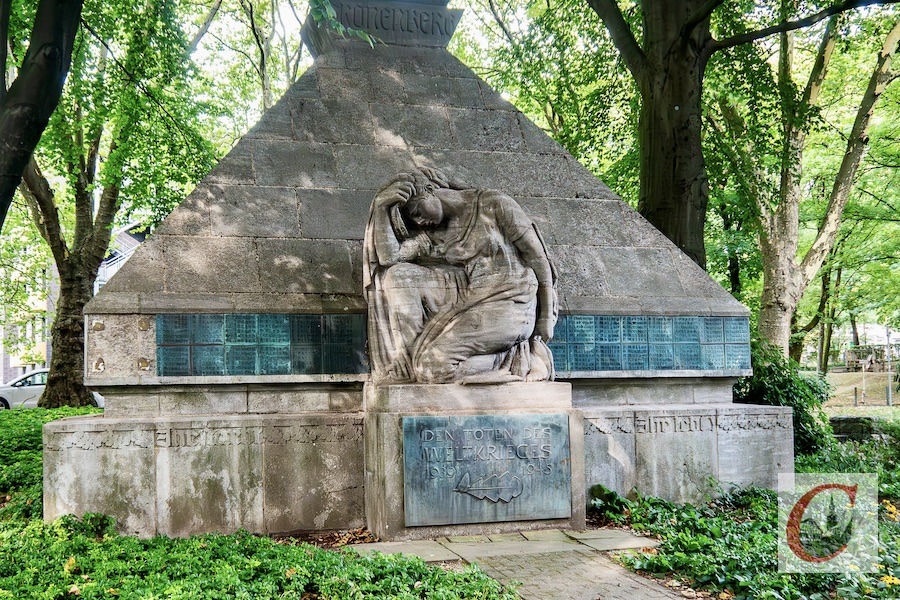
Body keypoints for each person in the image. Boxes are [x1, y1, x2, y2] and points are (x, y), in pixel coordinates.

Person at [363, 167, 558, 384]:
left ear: (429, 190)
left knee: (431, 369)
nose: (418, 221)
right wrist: (381, 206)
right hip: (470, 297)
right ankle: (406, 362)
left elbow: (537, 257)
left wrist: (546, 317)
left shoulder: (493, 203)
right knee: (399, 276)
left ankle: (518, 359)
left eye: (417, 211)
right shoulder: (435, 233)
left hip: (510, 301)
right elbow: (390, 258)